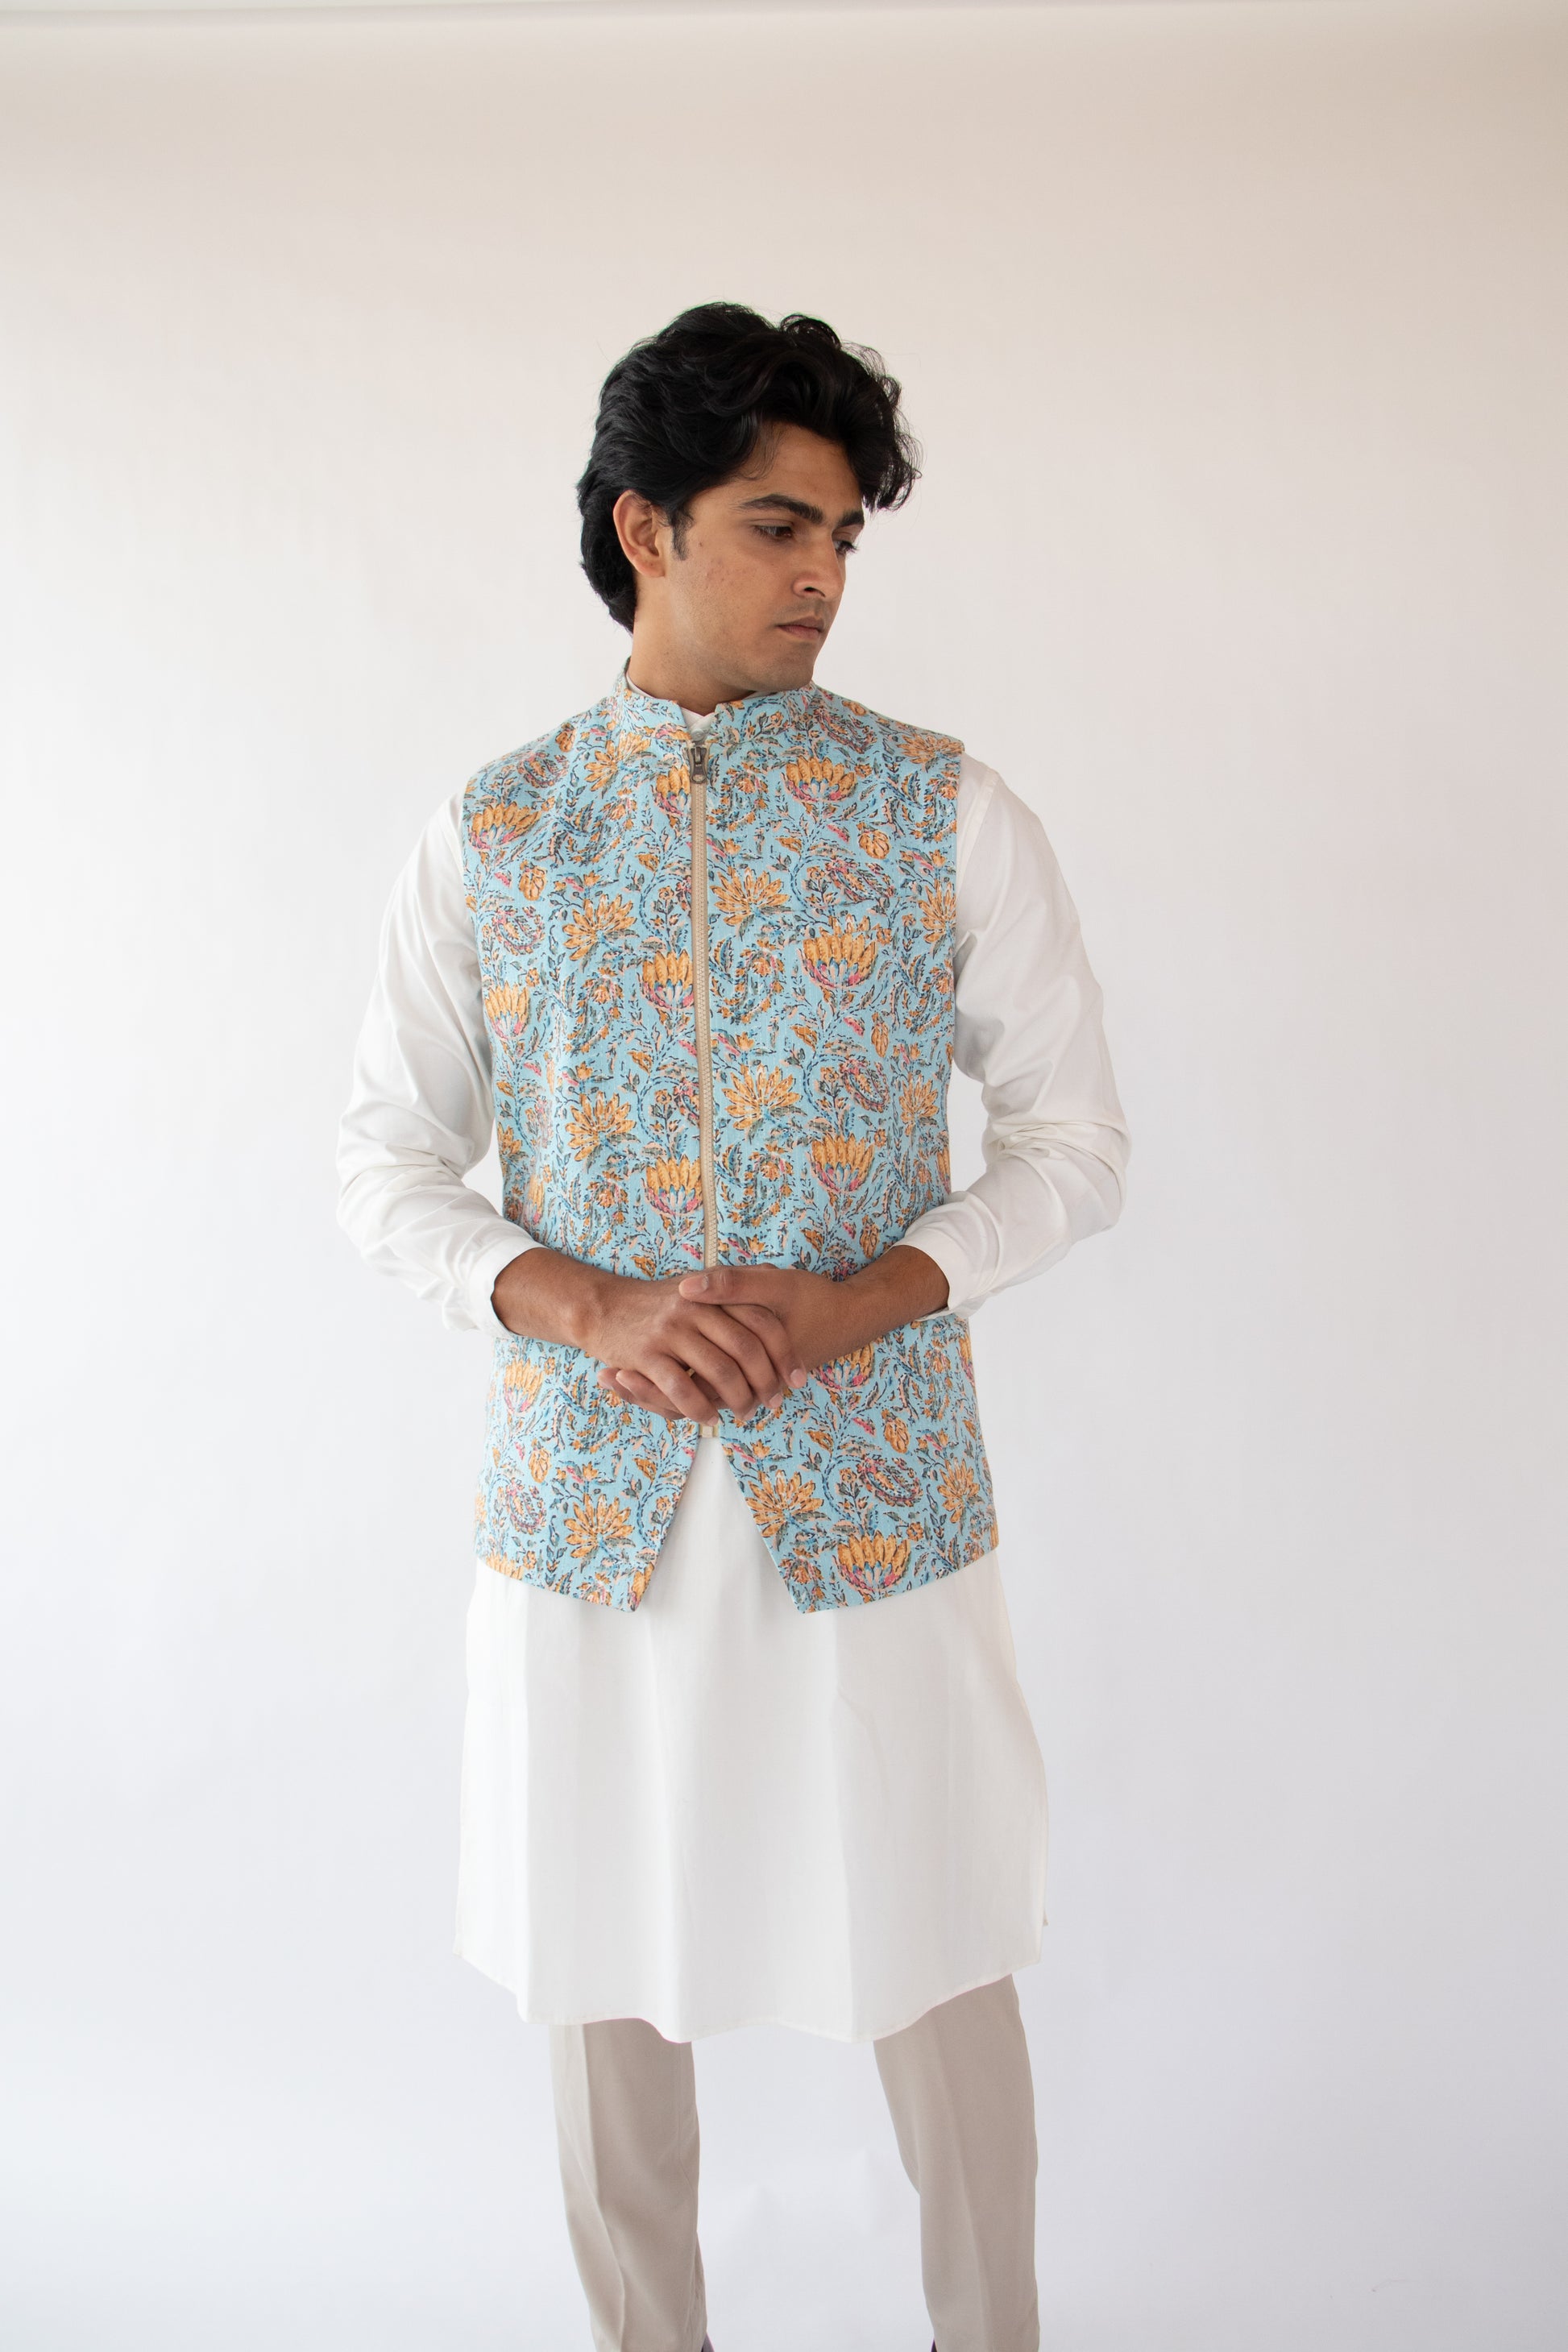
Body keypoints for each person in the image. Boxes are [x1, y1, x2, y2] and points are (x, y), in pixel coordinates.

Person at [337, 302, 1129, 2352]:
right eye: (780, 524)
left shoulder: (939, 810)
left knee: (938, 1941)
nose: (822, 575)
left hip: (869, 1490)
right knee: (596, 1977)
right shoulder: (498, 831)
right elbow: (383, 1163)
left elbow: (1072, 1145)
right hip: (587, 1511)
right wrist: (580, 1300)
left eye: (844, 536)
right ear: (646, 527)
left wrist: (871, 1295)